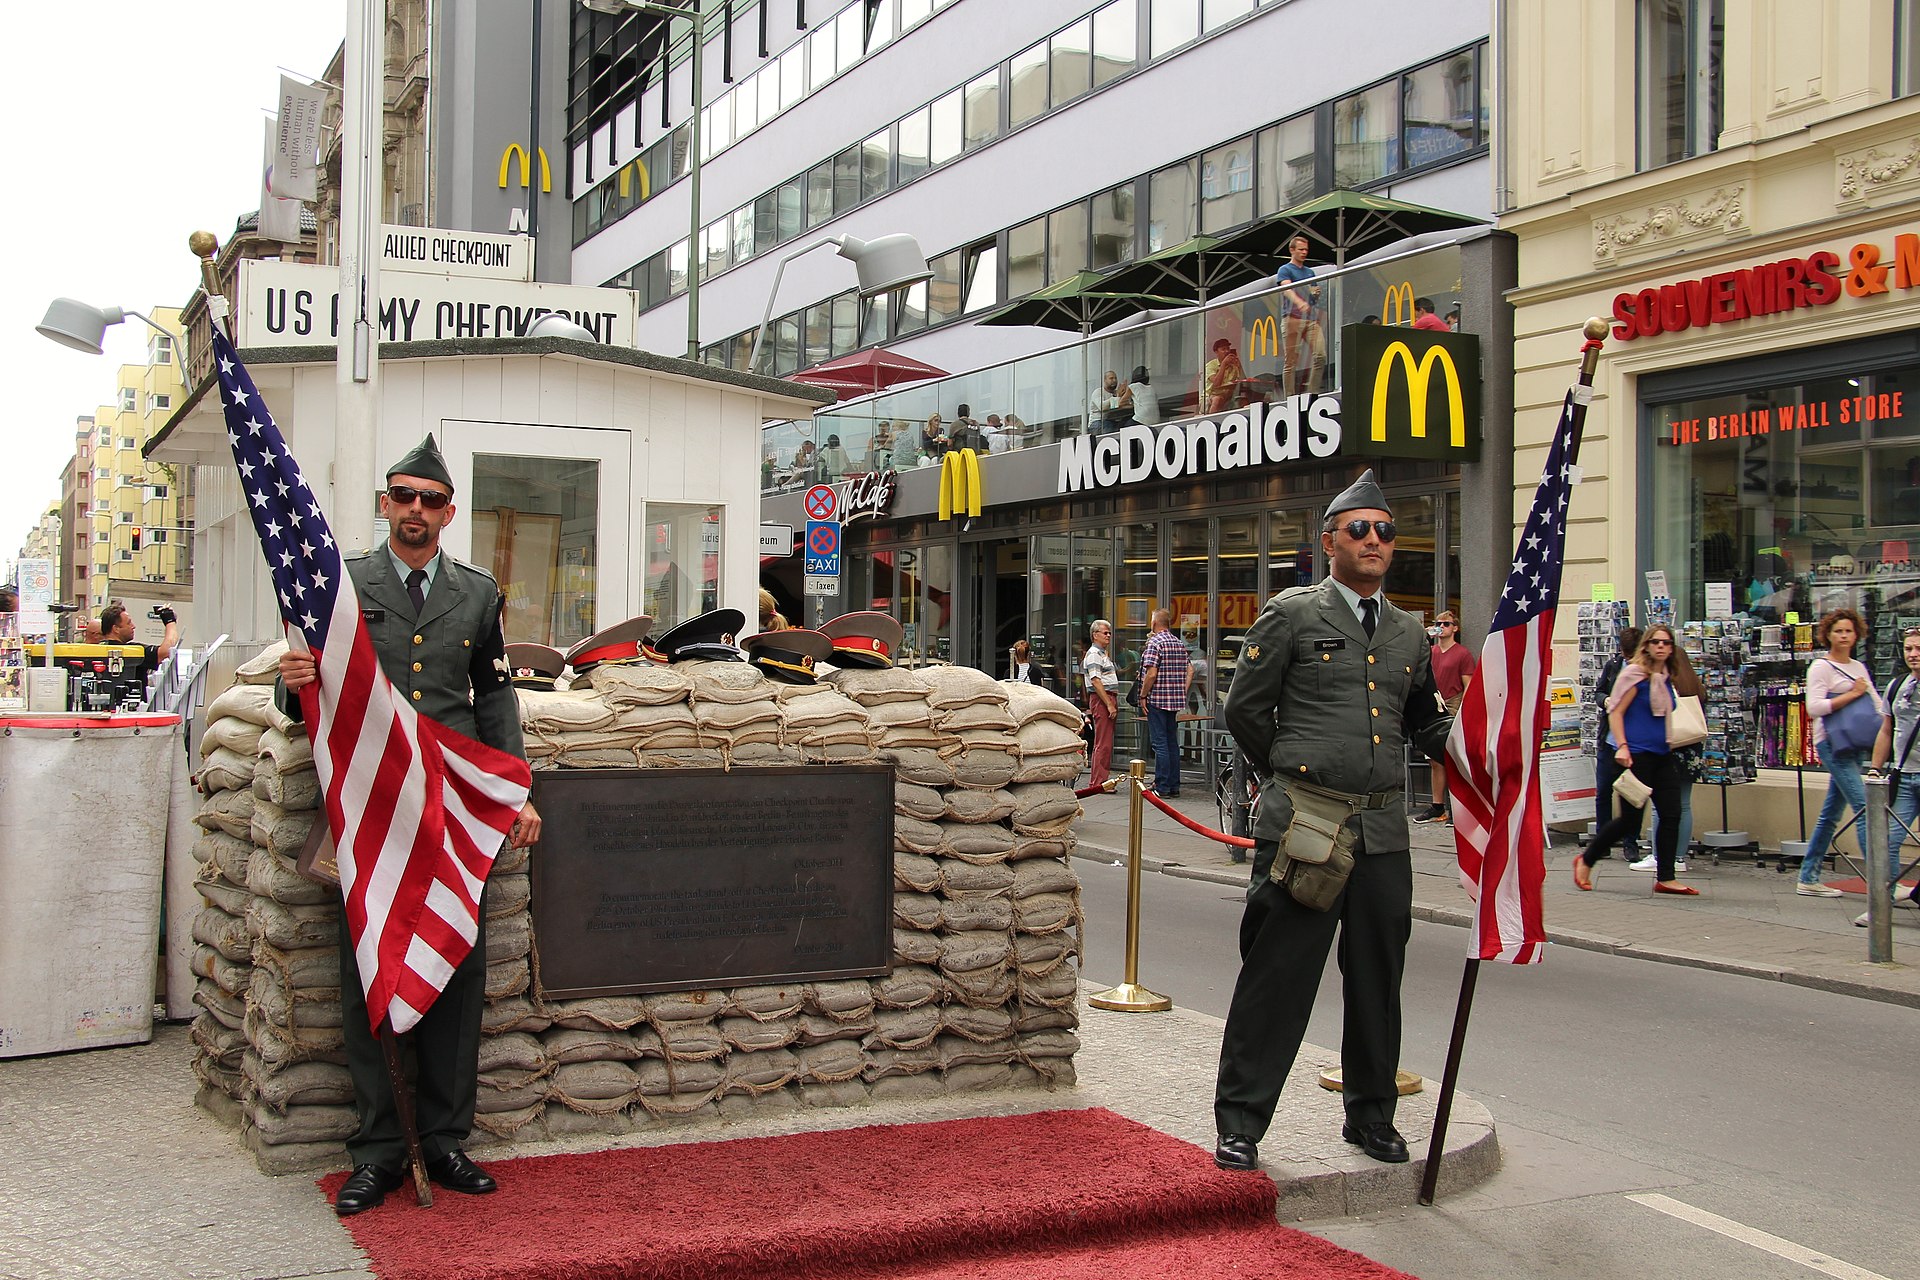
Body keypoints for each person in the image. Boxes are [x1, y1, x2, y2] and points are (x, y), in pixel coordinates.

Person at [278, 434, 541, 1217]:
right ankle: (380, 1150)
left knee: (456, 969)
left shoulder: (478, 593)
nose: (415, 511)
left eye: (429, 500)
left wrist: (516, 791)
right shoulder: (340, 584)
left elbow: (493, 698)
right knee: (371, 971)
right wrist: (293, 684)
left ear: (448, 512)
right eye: (402, 496)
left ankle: (447, 1139)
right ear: (385, 504)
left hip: (453, 807)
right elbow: (309, 694)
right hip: (369, 808)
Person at [1213, 470, 1453, 1175]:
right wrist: (1289, 775)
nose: (1375, 540)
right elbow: (1243, 711)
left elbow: (1423, 719)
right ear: (1329, 542)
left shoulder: (1410, 632)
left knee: (1378, 979)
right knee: (1279, 977)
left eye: (1385, 530)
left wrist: (1479, 748)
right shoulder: (1293, 613)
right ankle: (1241, 1122)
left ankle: (1372, 1115)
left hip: (1382, 834)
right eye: (1360, 529)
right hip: (1308, 826)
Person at [1573, 624, 1699, 896]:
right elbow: (1616, 712)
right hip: (1636, 755)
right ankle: (1586, 860)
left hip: (1662, 754)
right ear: (1646, 645)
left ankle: (1666, 876)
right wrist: (1623, 747)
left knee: (1671, 814)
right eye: (1656, 642)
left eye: (1666, 643)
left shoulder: (1664, 676)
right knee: (1630, 821)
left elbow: (1666, 713)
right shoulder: (1635, 675)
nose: (1662, 647)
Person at [1797, 608, 1887, 897]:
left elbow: (1876, 703)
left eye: (1849, 631)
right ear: (1828, 635)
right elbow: (1814, 708)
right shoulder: (1821, 668)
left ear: (1856, 633)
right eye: (1838, 631)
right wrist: (1851, 694)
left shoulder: (1858, 667)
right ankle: (1880, 883)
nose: (1844, 636)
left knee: (1831, 814)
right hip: (1833, 745)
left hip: (1856, 744)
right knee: (1865, 808)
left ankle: (1808, 876)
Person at [1866, 626, 1920, 922]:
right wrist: (1875, 768)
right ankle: (1880, 904)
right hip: (1906, 776)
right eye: (1909, 649)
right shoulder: (1898, 686)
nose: (1913, 655)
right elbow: (1887, 730)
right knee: (1887, 840)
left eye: (1919, 649)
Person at [1590, 627, 1646, 866]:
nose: (1630, 659)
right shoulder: (1613, 666)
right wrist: (1606, 700)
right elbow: (1599, 691)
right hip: (1610, 740)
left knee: (1633, 794)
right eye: (1627, 655)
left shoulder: (1648, 671)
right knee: (1603, 791)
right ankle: (1602, 842)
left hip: (1634, 742)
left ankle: (1630, 843)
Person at [1414, 611, 1475, 824]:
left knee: (1455, 758)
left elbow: (1468, 685)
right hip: (1434, 704)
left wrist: (1464, 710)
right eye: (1438, 623)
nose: (1441, 627)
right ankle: (1437, 806)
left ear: (1455, 628)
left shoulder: (1462, 654)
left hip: (1453, 704)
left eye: (1446, 624)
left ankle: (1458, 807)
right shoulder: (1431, 652)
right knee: (1434, 760)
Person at [1138, 608, 1191, 798]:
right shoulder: (1178, 643)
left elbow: (1151, 673)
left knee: (1160, 743)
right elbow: (1188, 670)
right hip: (1174, 700)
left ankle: (1162, 786)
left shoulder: (1155, 643)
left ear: (1154, 623)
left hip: (1158, 699)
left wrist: (1143, 695)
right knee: (1171, 743)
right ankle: (1174, 785)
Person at [1273, 235, 1324, 395]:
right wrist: (1299, 302)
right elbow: (1286, 289)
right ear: (1292, 250)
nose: (1304, 252)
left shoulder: (1310, 272)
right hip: (1292, 319)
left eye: (1306, 250)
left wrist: (1315, 294)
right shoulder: (1285, 269)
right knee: (1291, 360)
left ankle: (1312, 391)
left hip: (1310, 319)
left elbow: (1313, 294)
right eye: (1301, 249)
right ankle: (1290, 396)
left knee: (1320, 354)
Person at [1083, 619, 1118, 790]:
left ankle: (1101, 780)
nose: (1108, 636)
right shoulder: (1094, 654)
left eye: (1109, 633)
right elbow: (1096, 680)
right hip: (1103, 699)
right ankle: (1098, 782)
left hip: (1106, 698)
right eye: (1105, 633)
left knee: (1105, 741)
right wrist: (1109, 704)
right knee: (1103, 742)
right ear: (1095, 635)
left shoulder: (1101, 653)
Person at [1204, 339, 1244, 413]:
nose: (1227, 351)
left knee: (1243, 400)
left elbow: (1243, 381)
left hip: (1228, 396)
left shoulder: (1233, 366)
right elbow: (1216, 384)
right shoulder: (1210, 366)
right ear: (1216, 352)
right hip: (1211, 395)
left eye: (1228, 349)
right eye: (1223, 349)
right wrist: (1223, 364)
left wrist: (1239, 366)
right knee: (1217, 400)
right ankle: (1211, 421)